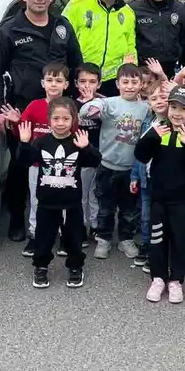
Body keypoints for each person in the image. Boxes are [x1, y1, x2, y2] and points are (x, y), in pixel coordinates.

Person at [0, 0, 83, 242]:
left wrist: (79, 101)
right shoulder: (10, 30)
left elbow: (76, 64)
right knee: (21, 166)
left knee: (59, 164)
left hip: (59, 111)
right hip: (25, 110)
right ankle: (17, 219)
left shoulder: (62, 26)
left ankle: (57, 220)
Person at [135, 85, 185, 304]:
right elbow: (140, 154)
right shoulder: (158, 131)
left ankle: (176, 280)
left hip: (184, 203)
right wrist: (151, 137)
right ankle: (158, 278)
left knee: (181, 241)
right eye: (174, 107)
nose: (177, 113)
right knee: (157, 240)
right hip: (159, 200)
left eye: (183, 109)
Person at [15, 99, 100, 289]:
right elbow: (24, 162)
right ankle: (41, 267)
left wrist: (86, 147)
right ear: (49, 120)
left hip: (72, 203)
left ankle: (75, 266)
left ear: (73, 119)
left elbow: (95, 161)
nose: (60, 123)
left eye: (65, 118)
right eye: (56, 118)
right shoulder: (41, 142)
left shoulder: (77, 140)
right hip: (47, 203)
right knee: (43, 238)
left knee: (73, 239)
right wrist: (24, 143)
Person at [0, 62, 72, 256]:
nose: (53, 84)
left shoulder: (69, 107)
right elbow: (22, 134)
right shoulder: (34, 106)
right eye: (50, 80)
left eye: (58, 80)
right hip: (37, 165)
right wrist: (16, 123)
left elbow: (74, 133)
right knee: (37, 200)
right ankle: (35, 234)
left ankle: (64, 235)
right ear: (42, 83)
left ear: (66, 84)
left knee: (64, 201)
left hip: (63, 166)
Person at [78, 63, 149, 260]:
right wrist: (92, 106)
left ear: (141, 84)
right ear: (117, 84)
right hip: (107, 166)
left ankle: (126, 239)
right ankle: (103, 239)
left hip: (131, 170)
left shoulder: (145, 108)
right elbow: (86, 111)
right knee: (105, 207)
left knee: (129, 209)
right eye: (125, 82)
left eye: (134, 82)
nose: (129, 86)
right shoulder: (108, 103)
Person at [63, 0, 137, 97]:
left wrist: (129, 75)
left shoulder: (128, 13)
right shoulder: (77, 5)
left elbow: (130, 47)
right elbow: (62, 40)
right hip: (82, 78)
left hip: (112, 82)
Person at [130, 80, 169, 271]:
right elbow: (139, 153)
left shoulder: (173, 123)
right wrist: (134, 176)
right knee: (146, 217)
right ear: (149, 103)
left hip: (164, 181)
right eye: (154, 98)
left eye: (163, 97)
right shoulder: (147, 123)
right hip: (146, 179)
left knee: (162, 217)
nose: (159, 101)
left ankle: (159, 249)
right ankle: (146, 246)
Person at [130, 0, 185, 79]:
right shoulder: (133, 8)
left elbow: (184, 41)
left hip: (170, 71)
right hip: (142, 72)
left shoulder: (180, 10)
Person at [75, 62, 104, 239]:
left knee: (95, 194)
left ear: (99, 84)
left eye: (92, 82)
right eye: (83, 81)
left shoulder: (103, 104)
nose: (87, 86)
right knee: (80, 194)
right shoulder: (71, 104)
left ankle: (95, 225)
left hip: (98, 155)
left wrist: (92, 104)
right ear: (76, 83)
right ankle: (80, 226)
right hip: (78, 157)